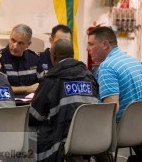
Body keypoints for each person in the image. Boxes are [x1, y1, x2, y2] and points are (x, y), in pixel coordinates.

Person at [29, 39, 98, 162]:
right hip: (90, 138)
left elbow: (34, 116)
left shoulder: (52, 79)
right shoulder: (89, 76)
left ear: (54, 55)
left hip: (60, 142)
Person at [87, 26, 142, 161]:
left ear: (105, 44)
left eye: (91, 44)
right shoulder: (134, 61)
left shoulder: (107, 67)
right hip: (139, 128)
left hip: (123, 132)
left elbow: (110, 109)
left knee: (81, 131)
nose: (87, 49)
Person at [0, 24, 42, 95]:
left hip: (31, 104)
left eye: (20, 43)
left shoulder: (34, 59)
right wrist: (27, 89)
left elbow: (43, 85)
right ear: (9, 38)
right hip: (9, 104)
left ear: (28, 44)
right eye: (13, 40)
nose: (15, 46)